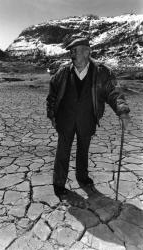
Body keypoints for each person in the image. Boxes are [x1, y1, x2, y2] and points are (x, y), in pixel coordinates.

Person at [46, 36, 130, 200]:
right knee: (62, 152)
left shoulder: (101, 72)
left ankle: (82, 177)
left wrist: (123, 111)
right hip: (66, 119)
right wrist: (52, 114)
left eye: (75, 51)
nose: (72, 54)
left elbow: (114, 93)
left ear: (87, 51)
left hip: (87, 119)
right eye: (71, 51)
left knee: (83, 151)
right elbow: (52, 94)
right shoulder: (63, 72)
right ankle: (58, 183)